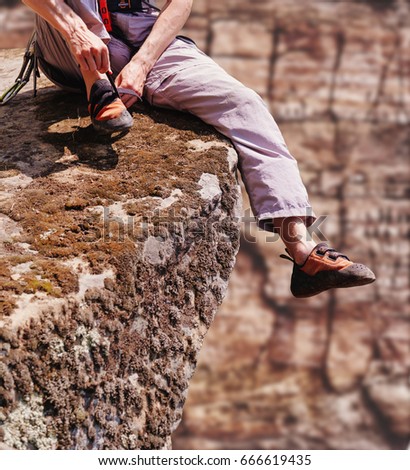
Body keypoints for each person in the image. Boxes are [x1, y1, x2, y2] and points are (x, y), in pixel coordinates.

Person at [22, 0, 376, 298]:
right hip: (66, 38)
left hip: (143, 37)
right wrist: (76, 30)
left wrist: (142, 65)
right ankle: (98, 88)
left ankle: (303, 251)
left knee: (243, 102)